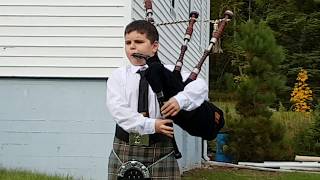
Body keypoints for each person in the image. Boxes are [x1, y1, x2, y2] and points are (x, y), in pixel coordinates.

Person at [106, 20, 208, 180]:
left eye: (139, 42)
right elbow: (118, 111)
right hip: (125, 145)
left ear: (154, 46)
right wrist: (151, 125)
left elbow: (199, 85)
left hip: (161, 148)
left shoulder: (166, 72)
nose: (132, 47)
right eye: (128, 42)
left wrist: (180, 100)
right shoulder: (118, 76)